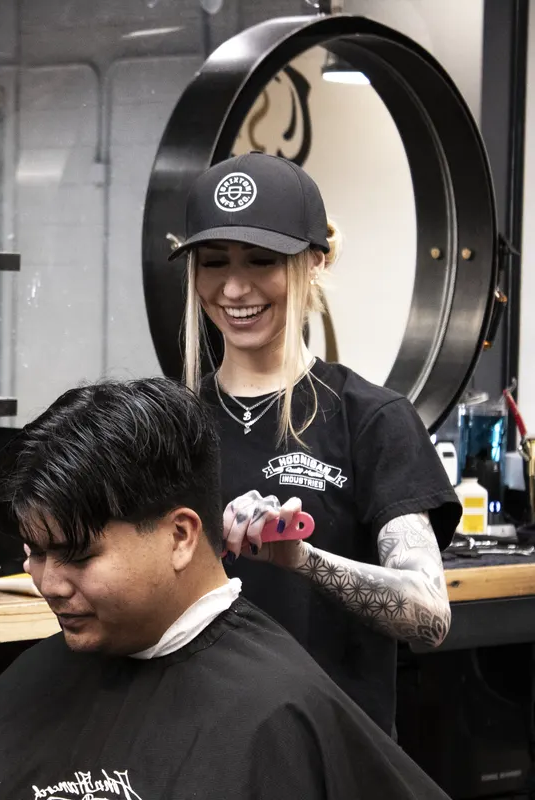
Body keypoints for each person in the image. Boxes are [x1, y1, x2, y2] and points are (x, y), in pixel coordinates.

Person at [0, 379, 449, 799]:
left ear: (181, 536)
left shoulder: (272, 717)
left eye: (78, 555)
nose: (49, 583)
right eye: (35, 554)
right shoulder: (49, 675)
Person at [168, 151, 461, 734]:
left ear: (315, 263)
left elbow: (430, 613)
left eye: (262, 260)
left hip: (331, 754)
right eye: (213, 262)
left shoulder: (372, 419)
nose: (233, 287)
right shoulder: (170, 423)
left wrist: (302, 560)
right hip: (199, 748)